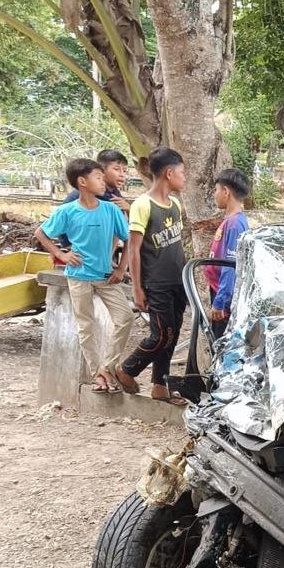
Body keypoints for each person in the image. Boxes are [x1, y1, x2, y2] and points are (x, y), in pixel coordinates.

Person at [33, 158, 131, 394]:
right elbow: (41, 233)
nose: (103, 182)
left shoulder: (110, 210)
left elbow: (128, 239)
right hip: (78, 276)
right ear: (82, 182)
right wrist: (60, 255)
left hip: (107, 276)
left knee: (125, 317)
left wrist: (121, 269)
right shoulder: (67, 211)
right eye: (98, 177)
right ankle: (98, 373)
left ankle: (107, 367)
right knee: (86, 326)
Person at [114, 147, 188, 406]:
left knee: (173, 334)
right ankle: (127, 369)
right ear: (168, 173)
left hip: (177, 281)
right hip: (156, 282)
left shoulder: (176, 204)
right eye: (181, 173)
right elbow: (133, 248)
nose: (184, 178)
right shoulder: (143, 205)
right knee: (161, 335)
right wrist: (137, 288)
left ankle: (160, 385)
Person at [205, 168, 250, 339]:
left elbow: (230, 266)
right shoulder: (233, 221)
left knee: (221, 342)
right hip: (219, 291)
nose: (215, 194)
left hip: (224, 297)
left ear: (226, 191)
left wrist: (220, 302)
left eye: (216, 190)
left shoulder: (234, 224)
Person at [62, 149, 131, 213]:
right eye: (116, 169)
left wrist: (129, 209)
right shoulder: (86, 193)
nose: (122, 174)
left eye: (124, 170)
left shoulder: (115, 193)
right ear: (102, 170)